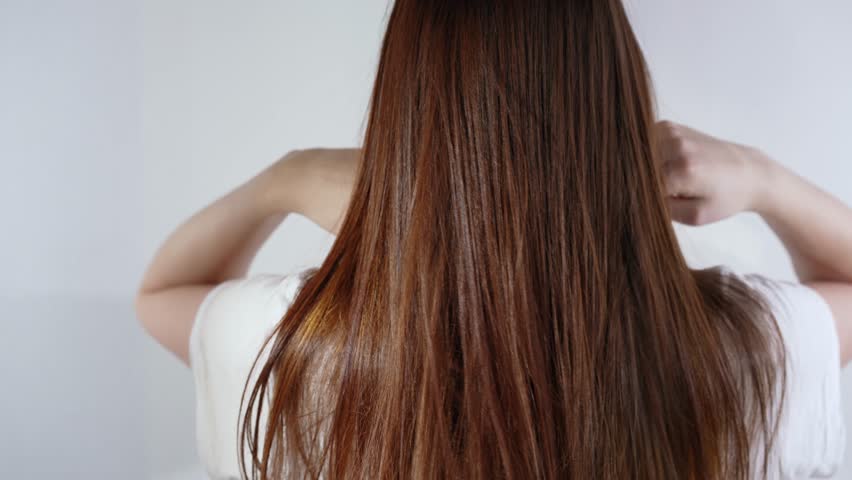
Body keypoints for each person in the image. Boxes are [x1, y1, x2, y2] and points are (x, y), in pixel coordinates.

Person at [135, 1, 850, 479]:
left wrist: (286, 179)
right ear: (618, 104)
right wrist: (761, 178)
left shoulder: (305, 351)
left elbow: (163, 293)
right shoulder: (736, 352)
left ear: (405, 113)